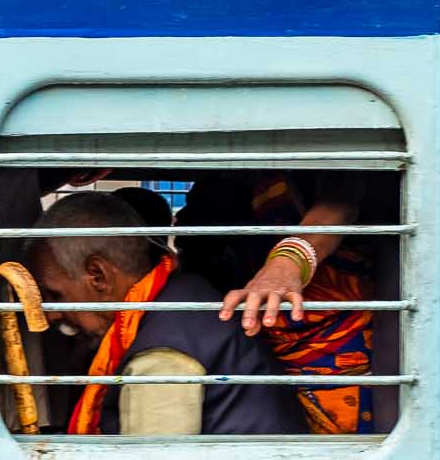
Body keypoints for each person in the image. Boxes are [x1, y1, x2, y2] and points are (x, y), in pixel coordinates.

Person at [23, 191, 303, 436]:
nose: (52, 315)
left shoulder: (160, 358)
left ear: (98, 276)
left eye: (56, 295)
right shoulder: (185, 290)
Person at [196, 171, 382, 434]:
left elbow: (339, 204)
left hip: (340, 355)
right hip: (281, 372)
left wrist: (289, 262)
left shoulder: (317, 159)